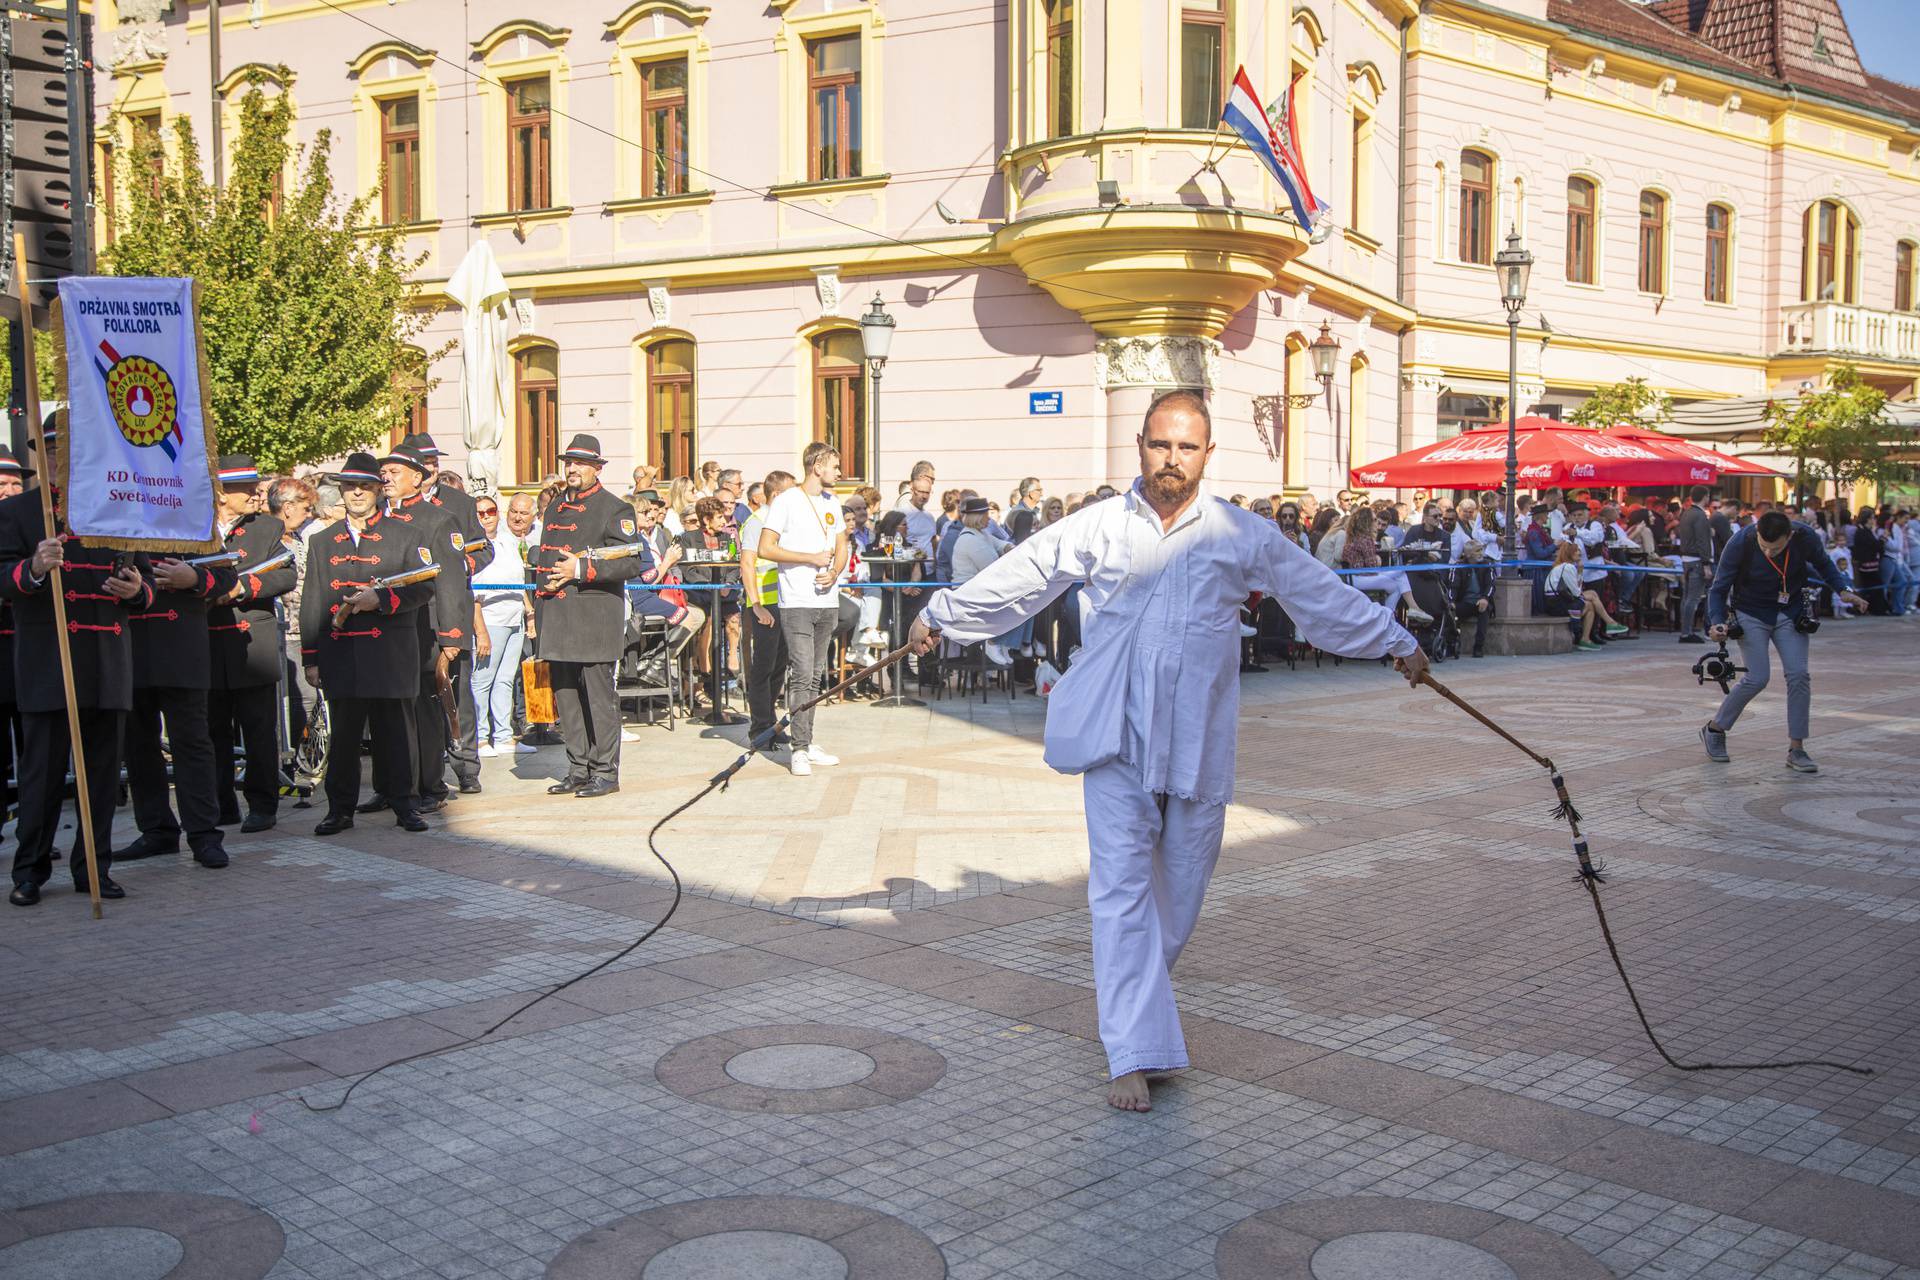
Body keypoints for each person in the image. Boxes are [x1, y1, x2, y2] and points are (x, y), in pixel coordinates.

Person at [909, 389, 1426, 1112]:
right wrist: (941, 615)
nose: (1171, 459)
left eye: (1186, 447)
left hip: (1199, 739)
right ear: (1141, 448)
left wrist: (1395, 641)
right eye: (1160, 444)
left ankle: (1135, 1018)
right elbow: (1023, 575)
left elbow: (1315, 592)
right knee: (1120, 894)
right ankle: (1132, 1049)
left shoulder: (1240, 533)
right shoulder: (1098, 527)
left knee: (1179, 893)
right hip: (1115, 733)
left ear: (1207, 454)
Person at [533, 435, 685, 797]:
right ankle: (578, 767)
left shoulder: (614, 508)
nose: (573, 469)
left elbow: (630, 562)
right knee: (566, 696)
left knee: (598, 698)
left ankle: (605, 772)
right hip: (556, 615)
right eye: (569, 462)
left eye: (581, 463)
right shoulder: (554, 507)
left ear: (597, 468)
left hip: (593, 618)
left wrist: (581, 568)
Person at [302, 453, 437, 835]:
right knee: (343, 739)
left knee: (395, 734)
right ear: (341, 491)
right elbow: (313, 600)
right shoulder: (323, 541)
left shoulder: (407, 534)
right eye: (349, 486)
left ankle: (405, 805)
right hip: (341, 652)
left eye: (364, 486)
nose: (357, 493)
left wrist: (384, 600)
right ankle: (339, 810)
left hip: (390, 652)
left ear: (379, 489)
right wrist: (311, 656)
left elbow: (425, 586)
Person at [1702, 510, 1867, 772]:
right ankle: (1715, 728)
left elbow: (1825, 565)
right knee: (1758, 677)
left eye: (1776, 548)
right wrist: (1716, 622)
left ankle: (1797, 748)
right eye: (1764, 547)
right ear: (1757, 534)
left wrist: (1844, 591)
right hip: (1751, 612)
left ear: (1789, 536)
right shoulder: (1740, 541)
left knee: (1799, 675)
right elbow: (1719, 587)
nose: (1769, 553)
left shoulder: (1805, 537)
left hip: (1790, 612)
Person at [118, 536, 239, 869]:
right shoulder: (111, 518)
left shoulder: (187, 518)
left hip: (181, 648)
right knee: (138, 747)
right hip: (127, 646)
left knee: (192, 744)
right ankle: (156, 830)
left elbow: (228, 577)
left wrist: (195, 578)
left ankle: (203, 834)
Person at [376, 444, 478, 815]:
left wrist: (452, 637)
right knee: (387, 708)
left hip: (425, 627)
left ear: (417, 478)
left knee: (424, 709)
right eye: (383, 472)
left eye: (395, 472)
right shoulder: (376, 517)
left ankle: (430, 785)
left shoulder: (438, 520)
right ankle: (390, 785)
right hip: (384, 627)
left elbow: (450, 581)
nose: (386, 478)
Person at [208, 457, 299, 832]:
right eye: (244, 487)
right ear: (220, 493)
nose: (254, 493)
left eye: (254, 485)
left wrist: (245, 588)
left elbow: (286, 574)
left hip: (252, 639)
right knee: (211, 730)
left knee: (260, 729)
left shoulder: (266, 527)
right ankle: (220, 804)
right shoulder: (193, 525)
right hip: (206, 640)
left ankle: (263, 804)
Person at [758, 442, 849, 776]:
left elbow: (842, 545)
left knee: (814, 676)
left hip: (827, 599)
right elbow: (766, 547)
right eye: (835, 466)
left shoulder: (833, 503)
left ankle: (807, 741)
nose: (839, 472)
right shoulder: (786, 501)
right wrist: (809, 558)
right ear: (818, 465)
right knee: (800, 673)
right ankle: (797, 749)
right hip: (796, 600)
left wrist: (835, 571)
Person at [473, 494, 533, 755]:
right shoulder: (474, 546)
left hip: (514, 617)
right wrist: (481, 631)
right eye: (481, 512)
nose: (487, 516)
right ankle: (479, 737)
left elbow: (519, 582)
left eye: (491, 511)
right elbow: (472, 592)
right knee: (482, 680)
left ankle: (504, 736)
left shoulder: (509, 540)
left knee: (506, 680)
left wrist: (529, 613)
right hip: (490, 618)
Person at [739, 470, 795, 750]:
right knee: (763, 666)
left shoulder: (783, 522)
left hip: (786, 602)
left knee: (778, 665)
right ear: (778, 495)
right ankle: (759, 727)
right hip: (764, 605)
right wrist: (757, 605)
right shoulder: (756, 522)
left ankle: (770, 722)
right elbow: (747, 565)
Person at [1545, 542, 1626, 650]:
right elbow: (1576, 592)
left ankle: (1586, 639)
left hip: (1558, 600)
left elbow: (1576, 590)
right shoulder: (1568, 567)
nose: (1579, 553)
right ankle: (1609, 623)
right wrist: (1579, 572)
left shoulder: (1564, 566)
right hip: (1557, 603)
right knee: (1592, 595)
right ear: (1570, 553)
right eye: (1576, 550)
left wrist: (1579, 571)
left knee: (1591, 604)